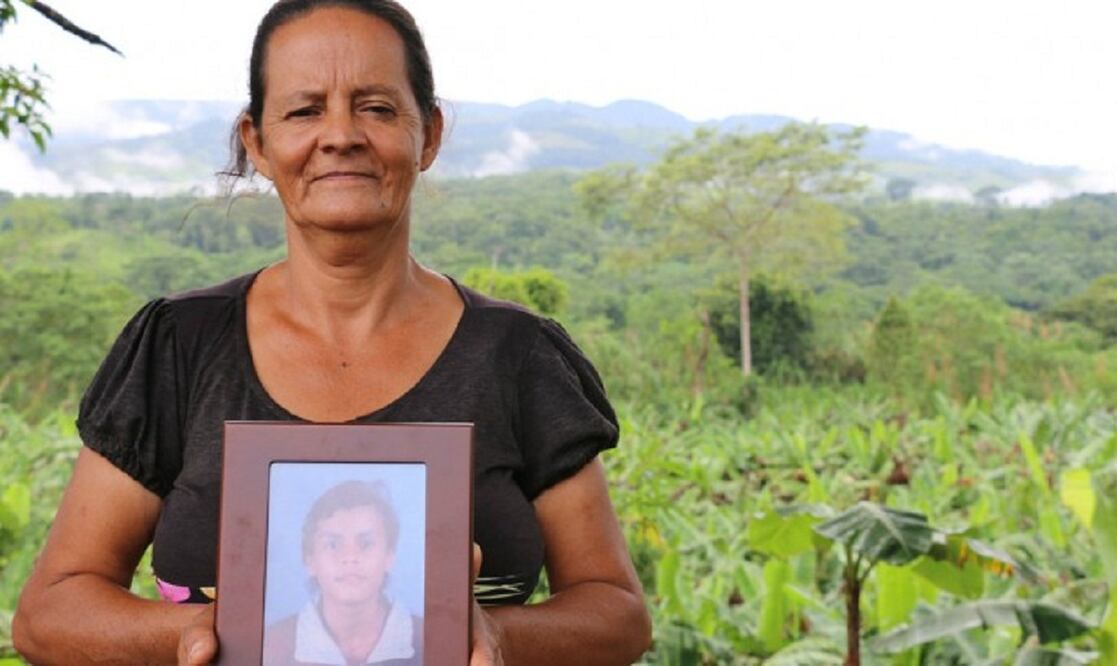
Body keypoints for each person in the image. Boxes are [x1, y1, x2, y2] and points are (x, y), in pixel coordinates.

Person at [12, 1, 651, 664]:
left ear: (428, 134)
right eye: (305, 109)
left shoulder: (518, 355)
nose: (341, 135)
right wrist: (201, 632)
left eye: (375, 107)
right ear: (256, 141)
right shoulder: (178, 346)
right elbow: (49, 614)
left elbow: (619, 612)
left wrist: (497, 634)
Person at [263, 479, 423, 666]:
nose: (350, 557)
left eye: (366, 543)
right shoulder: (271, 646)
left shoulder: (431, 639)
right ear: (310, 560)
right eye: (332, 544)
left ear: (389, 556)